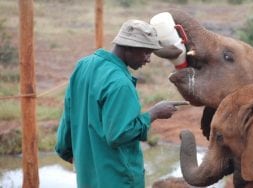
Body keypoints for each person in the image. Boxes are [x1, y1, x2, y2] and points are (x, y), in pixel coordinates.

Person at [55, 19, 188, 188]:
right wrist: (153, 114)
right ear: (129, 47)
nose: (148, 59)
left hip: (87, 178)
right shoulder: (120, 83)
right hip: (118, 178)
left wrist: (67, 151)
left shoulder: (83, 66)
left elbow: (68, 116)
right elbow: (119, 134)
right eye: (146, 52)